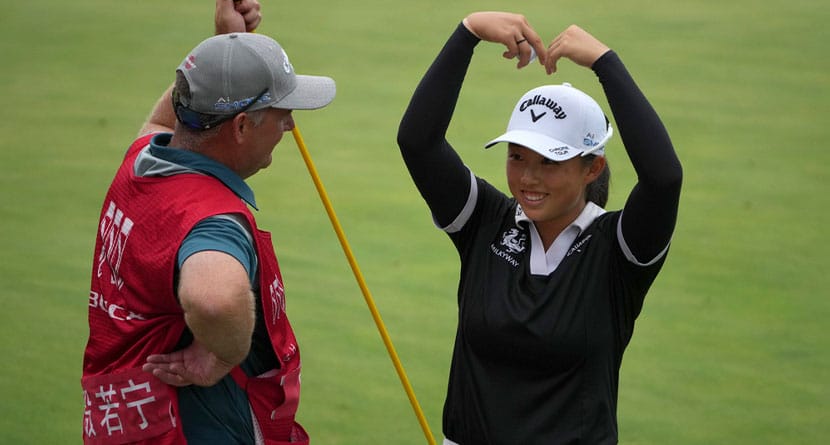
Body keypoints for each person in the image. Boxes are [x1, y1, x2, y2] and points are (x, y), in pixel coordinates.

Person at [397, 11, 682, 445]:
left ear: (593, 168)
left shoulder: (618, 250)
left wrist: (605, 63)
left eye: (550, 162)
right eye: (517, 157)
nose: (528, 178)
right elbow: (418, 142)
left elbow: (663, 179)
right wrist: (468, 32)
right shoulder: (486, 223)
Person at [81, 1, 335, 443]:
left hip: (125, 423)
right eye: (281, 112)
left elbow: (166, 118)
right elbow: (214, 299)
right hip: (197, 427)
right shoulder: (212, 219)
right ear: (240, 128)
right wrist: (220, 355)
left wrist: (225, 47)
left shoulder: (143, 160)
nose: (290, 125)